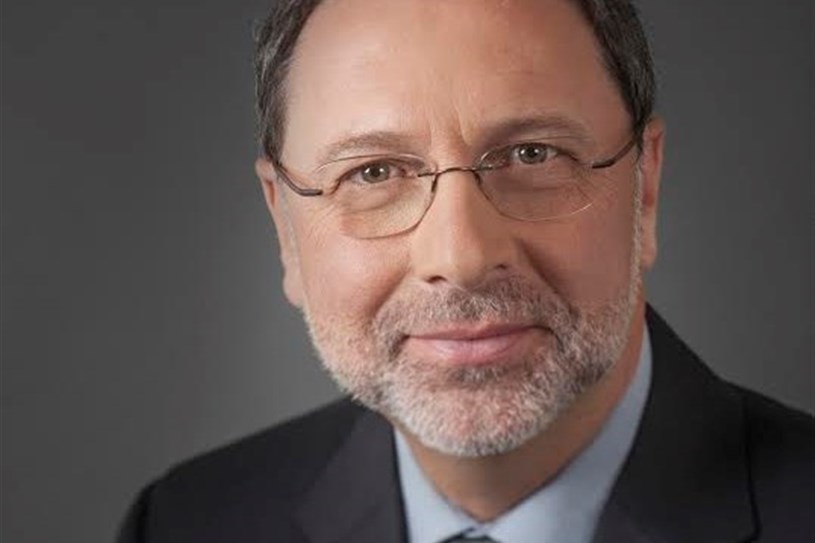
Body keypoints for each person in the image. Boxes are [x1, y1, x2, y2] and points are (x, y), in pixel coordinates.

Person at [117, 0, 814, 541]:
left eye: (532, 155)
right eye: (374, 172)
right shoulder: (185, 522)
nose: (461, 257)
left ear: (646, 189)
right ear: (285, 231)